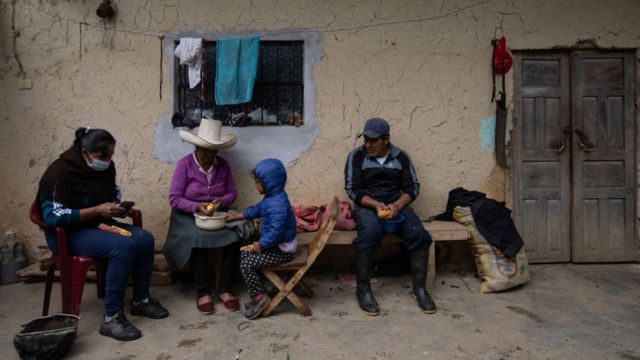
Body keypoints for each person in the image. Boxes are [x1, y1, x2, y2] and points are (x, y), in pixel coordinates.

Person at [37, 127, 169, 341]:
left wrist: (116, 207)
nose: (107, 160)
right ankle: (112, 317)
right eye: (102, 156)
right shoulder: (59, 173)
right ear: (84, 152)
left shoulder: (106, 169)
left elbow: (112, 193)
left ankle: (141, 300)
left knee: (145, 239)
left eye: (111, 155)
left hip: (97, 224)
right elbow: (52, 216)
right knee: (122, 246)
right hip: (67, 233)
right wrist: (97, 210)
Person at [344, 117, 436, 315]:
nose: (368, 144)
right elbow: (353, 190)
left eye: (373, 140)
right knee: (369, 234)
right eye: (366, 139)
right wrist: (375, 204)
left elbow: (413, 188)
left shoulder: (401, 157)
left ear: (386, 139)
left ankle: (419, 289)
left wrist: (397, 205)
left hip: (397, 205)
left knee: (418, 235)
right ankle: (363, 291)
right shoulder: (356, 157)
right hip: (367, 206)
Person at [163, 118, 241, 314]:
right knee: (197, 239)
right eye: (205, 151)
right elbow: (174, 199)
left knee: (235, 237)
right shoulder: (185, 165)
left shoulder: (223, 165)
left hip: (215, 214)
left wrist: (220, 202)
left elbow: (232, 193)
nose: (208, 156)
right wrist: (197, 207)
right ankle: (203, 291)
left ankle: (225, 287)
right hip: (187, 216)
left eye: (213, 151)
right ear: (196, 147)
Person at [225, 158, 297, 320]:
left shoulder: (277, 204)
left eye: (258, 182)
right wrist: (237, 216)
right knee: (244, 255)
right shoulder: (272, 198)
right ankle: (260, 293)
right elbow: (257, 210)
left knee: (246, 263)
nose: (256, 185)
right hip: (275, 245)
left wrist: (262, 245)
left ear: (269, 183)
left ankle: (260, 297)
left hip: (282, 250)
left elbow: (276, 232)